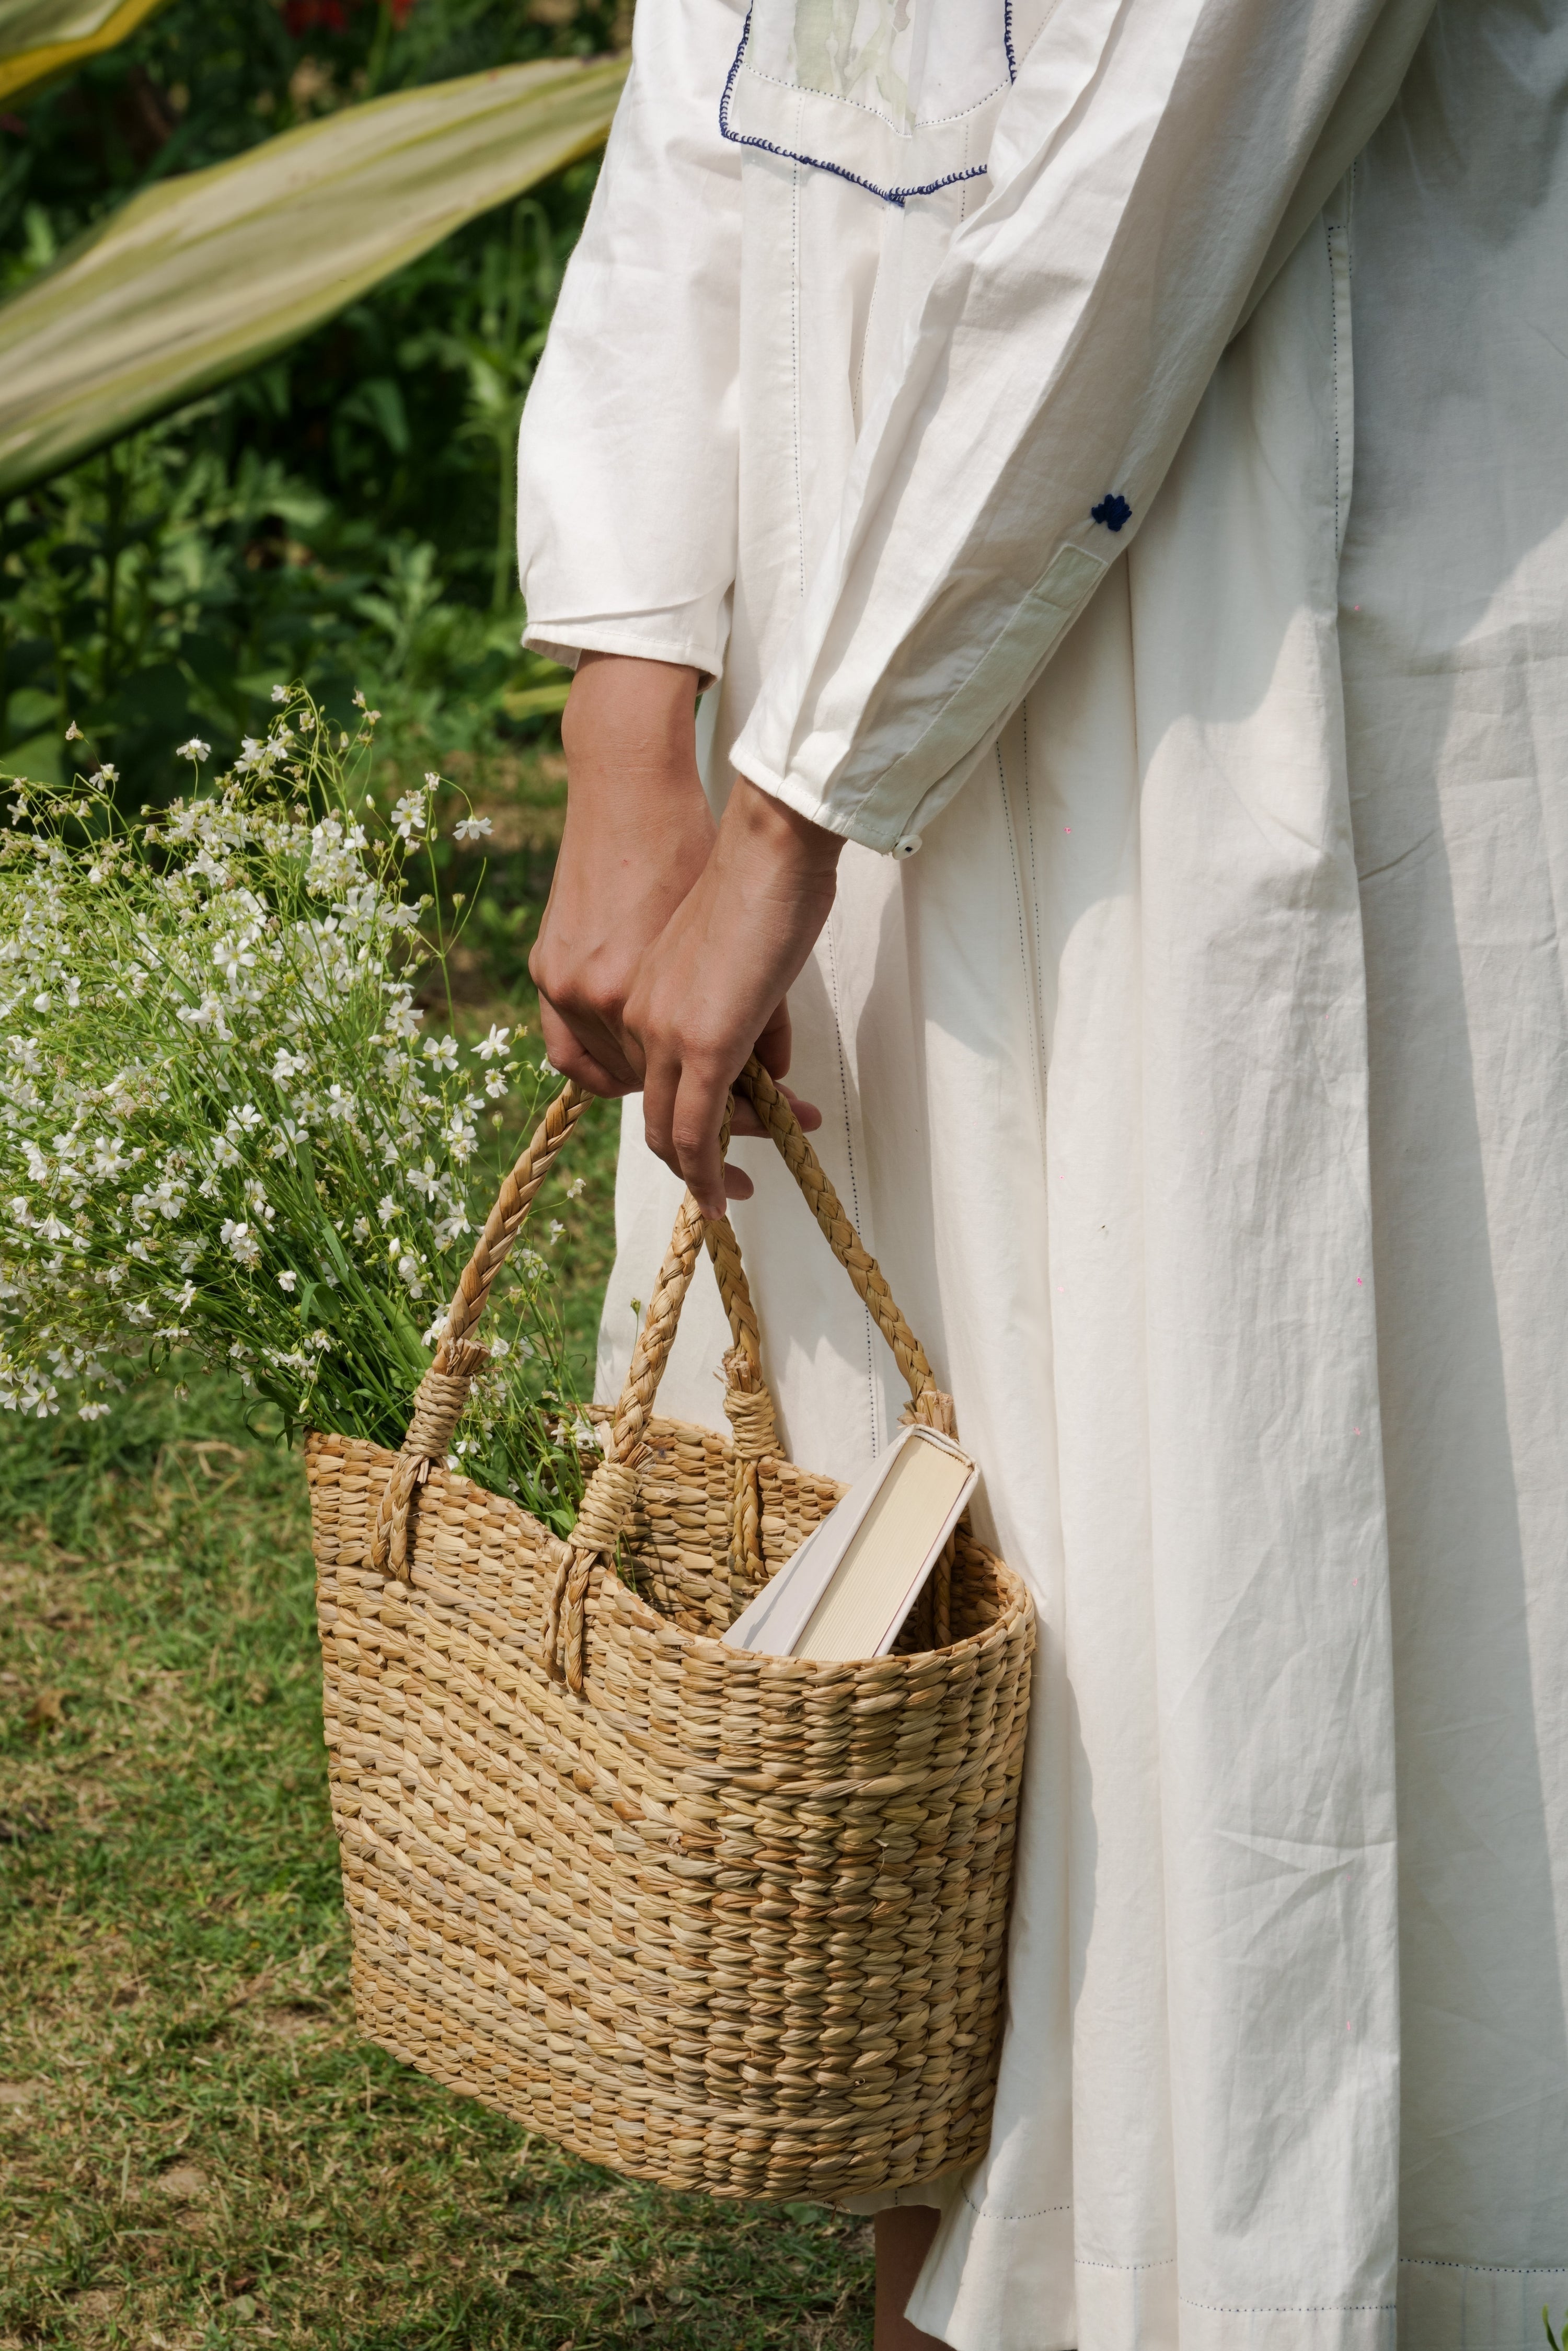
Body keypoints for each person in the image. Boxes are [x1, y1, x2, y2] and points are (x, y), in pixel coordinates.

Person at [515, 2, 1568, 2344]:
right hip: (852, 703)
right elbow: (717, 82)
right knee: (935, 1657)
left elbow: (1156, 174)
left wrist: (790, 801)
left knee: (1214, 1646)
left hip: (1228, 697)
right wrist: (630, 716)